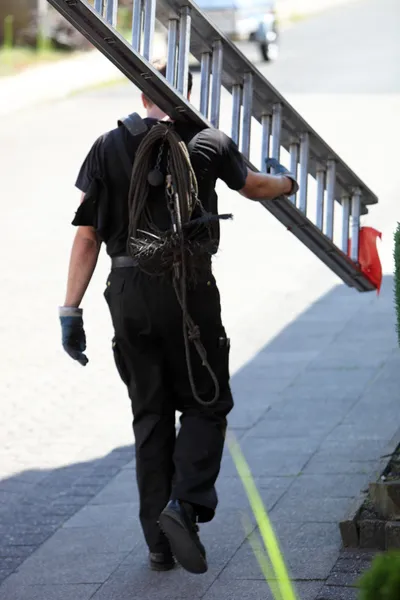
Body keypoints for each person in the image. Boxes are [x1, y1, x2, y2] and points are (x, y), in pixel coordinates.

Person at [59, 59, 298, 576]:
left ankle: (158, 545)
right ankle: (184, 507)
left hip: (126, 292)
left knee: (149, 415)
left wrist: (70, 309)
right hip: (187, 289)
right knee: (207, 401)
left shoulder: (106, 145)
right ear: (184, 91)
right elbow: (255, 187)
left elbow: (86, 236)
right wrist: (288, 182)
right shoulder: (208, 141)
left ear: (141, 95)